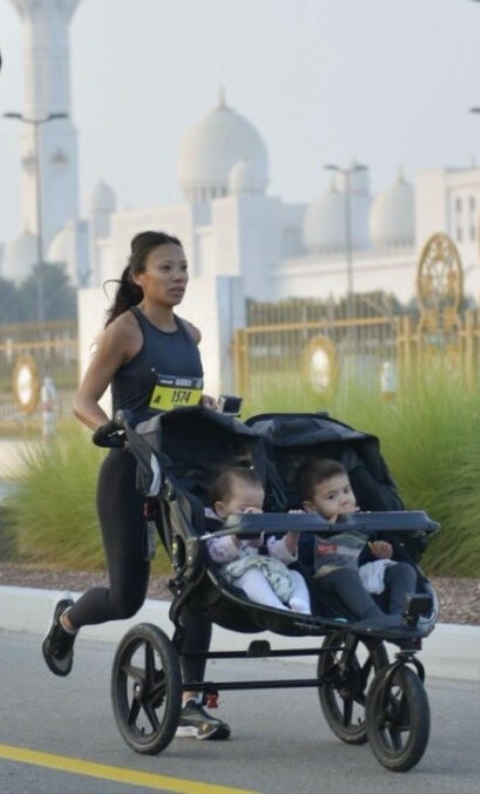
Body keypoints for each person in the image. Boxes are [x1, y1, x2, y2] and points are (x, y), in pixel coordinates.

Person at [41, 230, 229, 740]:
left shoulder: (190, 336)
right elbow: (82, 400)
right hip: (130, 472)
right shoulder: (126, 330)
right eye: (166, 268)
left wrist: (204, 405)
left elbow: (179, 399)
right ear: (139, 276)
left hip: (182, 475)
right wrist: (108, 429)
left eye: (184, 268)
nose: (178, 278)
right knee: (126, 599)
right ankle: (66, 624)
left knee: (200, 583)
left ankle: (191, 701)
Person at [296, 458, 418, 628]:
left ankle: (401, 616)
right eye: (332, 497)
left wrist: (380, 551)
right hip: (325, 579)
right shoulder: (308, 528)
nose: (344, 500)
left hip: (359, 573)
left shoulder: (362, 520)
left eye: (346, 491)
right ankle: (375, 617)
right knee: (344, 574)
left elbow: (365, 551)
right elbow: (305, 553)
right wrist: (336, 527)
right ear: (311, 508)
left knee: (404, 568)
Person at [206, 468, 311, 614]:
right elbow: (216, 554)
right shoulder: (215, 529)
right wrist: (238, 535)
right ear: (221, 509)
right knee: (252, 574)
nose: (253, 514)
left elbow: (278, 556)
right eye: (244, 509)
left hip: (268, 574)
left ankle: (302, 607)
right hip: (234, 578)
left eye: (258, 509)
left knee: (296, 575)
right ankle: (277, 608)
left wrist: (293, 534)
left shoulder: (261, 530)